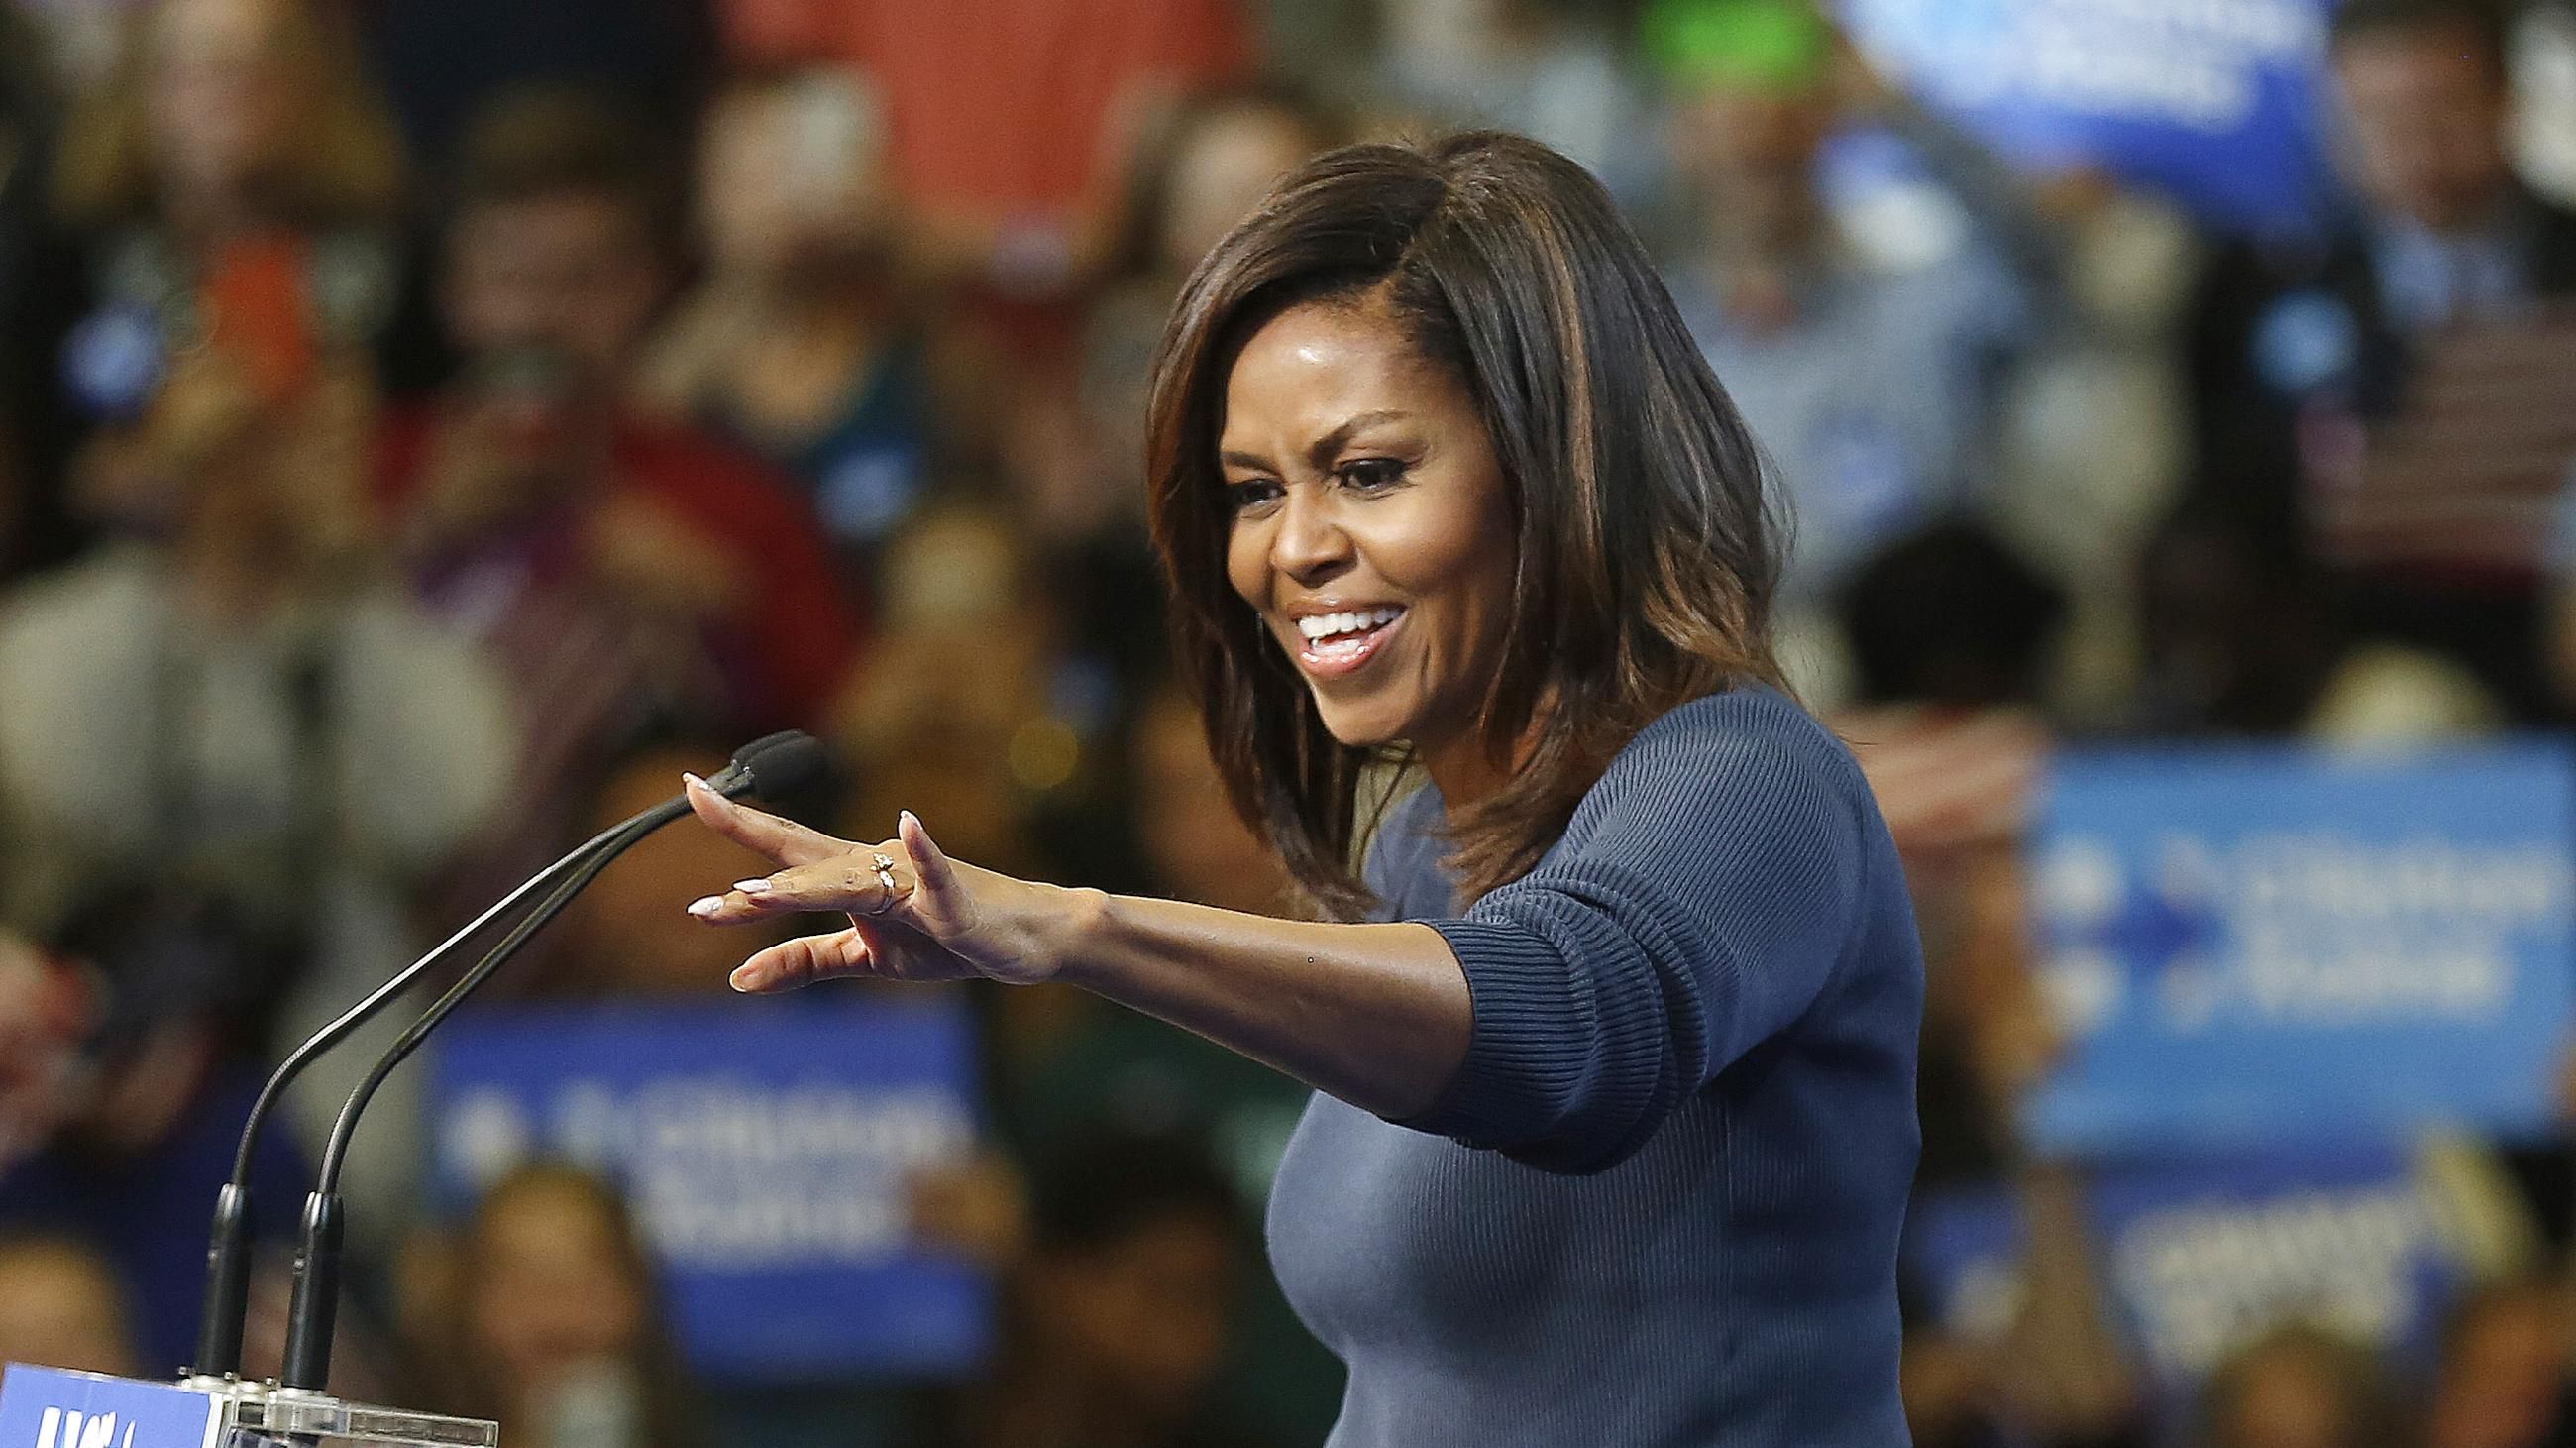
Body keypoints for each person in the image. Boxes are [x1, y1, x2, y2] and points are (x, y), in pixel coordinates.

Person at [681, 132, 1924, 1445]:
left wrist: (1074, 928)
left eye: (1368, 472)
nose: (1295, 548)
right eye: (1253, 491)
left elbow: (1573, 1028)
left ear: (1559, 471)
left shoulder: (1749, 780)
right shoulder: (1420, 851)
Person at [2187, 0, 2576, 723]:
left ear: (2506, 98)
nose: (2418, 147)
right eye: (2379, 120)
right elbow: (2229, 493)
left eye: (2443, 110)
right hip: (2360, 659)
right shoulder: (2262, 283)